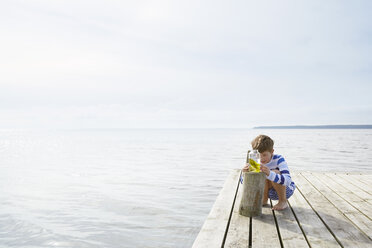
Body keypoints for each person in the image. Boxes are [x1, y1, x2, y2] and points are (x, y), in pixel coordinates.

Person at [242, 134, 296, 210]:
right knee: (259, 174)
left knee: (275, 172)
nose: (261, 158)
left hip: (285, 191)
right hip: (267, 193)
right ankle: (263, 200)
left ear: (272, 152)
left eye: (264, 155)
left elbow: (287, 181)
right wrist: (245, 174)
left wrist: (270, 173)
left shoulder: (278, 159)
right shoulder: (254, 159)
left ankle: (283, 201)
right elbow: (245, 183)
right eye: (258, 155)